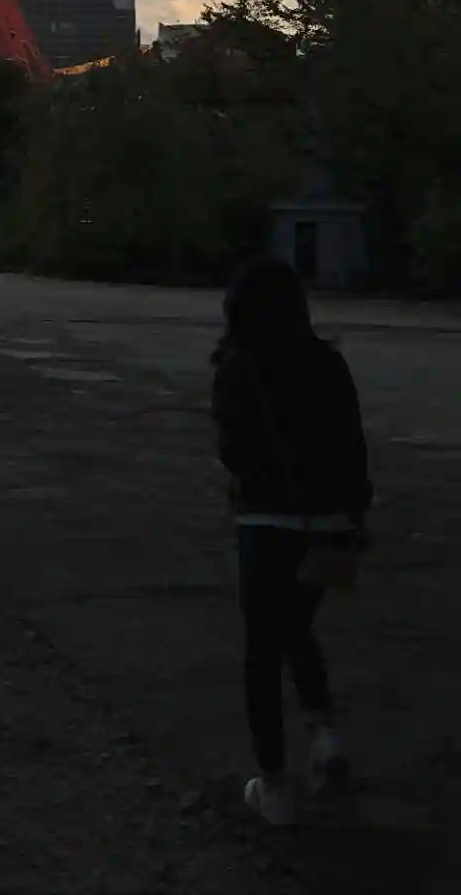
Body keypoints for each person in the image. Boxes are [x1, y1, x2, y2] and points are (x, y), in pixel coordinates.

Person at [211, 257, 372, 827]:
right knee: (296, 628)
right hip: (332, 525)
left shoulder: (238, 366)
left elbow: (233, 453)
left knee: (262, 649)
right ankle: (326, 738)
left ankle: (275, 786)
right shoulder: (329, 362)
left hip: (268, 524)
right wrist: (354, 516)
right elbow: (354, 446)